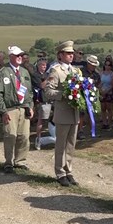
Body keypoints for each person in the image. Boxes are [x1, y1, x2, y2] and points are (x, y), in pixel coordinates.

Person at [44, 40, 82, 187]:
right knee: (61, 144)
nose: (71, 56)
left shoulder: (76, 71)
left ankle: (68, 170)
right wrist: (64, 94)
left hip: (74, 113)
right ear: (60, 55)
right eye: (68, 53)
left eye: (72, 53)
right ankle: (60, 172)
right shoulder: (56, 71)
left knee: (71, 144)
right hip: (63, 112)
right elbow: (48, 91)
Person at [0, 46, 34, 173]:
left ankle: (20, 161)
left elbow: (29, 91)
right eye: (17, 55)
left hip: (24, 108)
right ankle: (8, 162)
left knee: (24, 136)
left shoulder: (24, 72)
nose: (20, 58)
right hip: (10, 108)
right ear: (11, 56)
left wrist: (31, 106)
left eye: (21, 55)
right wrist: (3, 111)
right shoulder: (4, 71)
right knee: (10, 136)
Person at [77, 55, 101, 140]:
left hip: (92, 96)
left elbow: (98, 84)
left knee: (92, 113)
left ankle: (93, 131)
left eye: (95, 65)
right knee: (81, 114)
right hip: (82, 96)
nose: (94, 66)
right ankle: (80, 131)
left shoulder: (96, 74)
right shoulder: (81, 72)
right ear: (88, 64)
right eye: (92, 65)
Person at [31, 58, 51, 150]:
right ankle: (38, 139)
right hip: (41, 101)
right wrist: (48, 79)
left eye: (45, 65)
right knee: (41, 120)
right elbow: (41, 86)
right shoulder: (35, 75)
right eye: (42, 65)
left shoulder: (47, 74)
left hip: (50, 100)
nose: (44, 67)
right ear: (38, 66)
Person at [100, 58, 113, 129]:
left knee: (109, 109)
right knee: (103, 108)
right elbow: (99, 83)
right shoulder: (101, 73)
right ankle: (104, 123)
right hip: (102, 92)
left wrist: (107, 91)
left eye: (109, 65)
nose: (107, 66)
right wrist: (100, 90)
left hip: (110, 92)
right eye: (106, 65)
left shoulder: (112, 74)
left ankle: (109, 123)